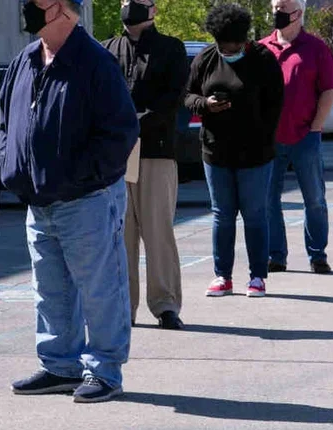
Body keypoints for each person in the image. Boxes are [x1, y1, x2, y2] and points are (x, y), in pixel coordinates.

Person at [0, 0, 139, 403]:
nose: (26, 7)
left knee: (101, 289)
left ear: (59, 7)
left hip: (86, 200)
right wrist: (10, 167)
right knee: (50, 290)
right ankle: (59, 365)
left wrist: (78, 178)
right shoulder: (25, 59)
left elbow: (119, 134)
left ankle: (105, 371)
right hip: (38, 201)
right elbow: (8, 122)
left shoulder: (94, 62)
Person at [185, 3, 284, 298]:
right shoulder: (205, 58)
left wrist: (260, 136)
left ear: (244, 40)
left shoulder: (264, 60)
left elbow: (275, 106)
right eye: (223, 47)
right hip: (216, 152)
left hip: (255, 154)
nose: (227, 52)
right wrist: (206, 105)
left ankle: (257, 277)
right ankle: (222, 276)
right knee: (222, 215)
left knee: (254, 215)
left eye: (233, 47)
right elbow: (187, 95)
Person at [102, 0, 188, 330]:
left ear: (152, 9)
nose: (128, 6)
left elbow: (171, 98)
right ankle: (124, 307)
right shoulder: (107, 49)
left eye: (136, 1)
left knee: (158, 231)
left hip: (156, 150)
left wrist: (131, 124)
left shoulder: (171, 48)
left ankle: (165, 304)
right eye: (124, 1)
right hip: (117, 155)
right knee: (120, 235)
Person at [260, 0, 333, 275]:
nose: (277, 13)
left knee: (314, 198)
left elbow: (329, 90)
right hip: (270, 139)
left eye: (283, 8)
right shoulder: (261, 48)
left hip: (305, 136)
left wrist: (316, 127)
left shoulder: (316, 48)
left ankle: (317, 254)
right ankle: (276, 256)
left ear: (298, 13)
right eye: (274, 7)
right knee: (268, 199)